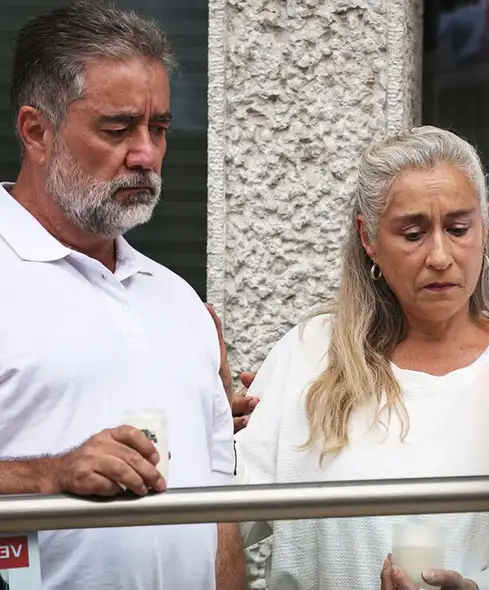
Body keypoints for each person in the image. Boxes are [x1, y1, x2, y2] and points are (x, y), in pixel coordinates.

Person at [233, 126, 489, 590]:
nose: (439, 256)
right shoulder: (312, 355)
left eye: (458, 228)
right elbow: (222, 517)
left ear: (485, 223)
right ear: (368, 237)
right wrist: (200, 431)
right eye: (412, 233)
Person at [0, 3, 243, 589]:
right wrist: (48, 475)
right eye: (117, 128)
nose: (146, 154)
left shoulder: (180, 300)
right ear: (37, 131)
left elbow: (218, 512)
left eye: (158, 128)